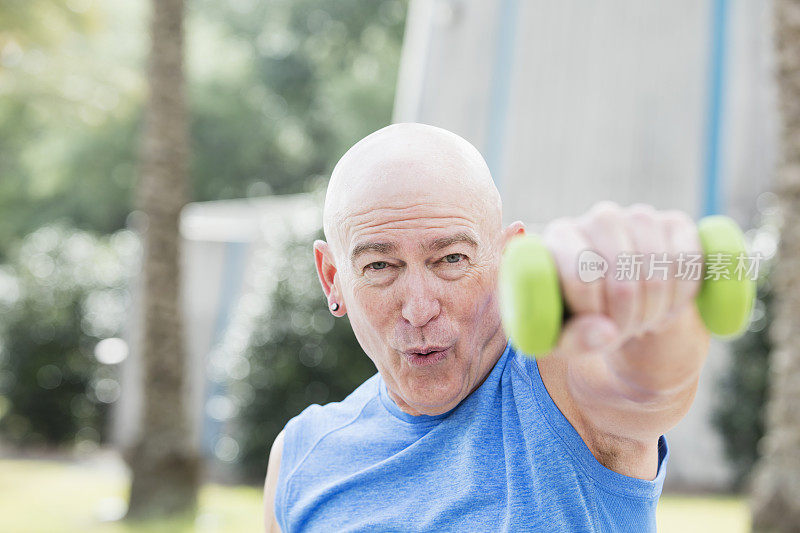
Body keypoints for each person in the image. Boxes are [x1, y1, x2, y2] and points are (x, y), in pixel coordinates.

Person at [263, 123, 710, 532]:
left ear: (507, 261)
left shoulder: (564, 391)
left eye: (452, 259)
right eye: (379, 265)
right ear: (332, 278)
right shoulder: (300, 458)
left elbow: (644, 387)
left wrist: (654, 313)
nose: (419, 309)